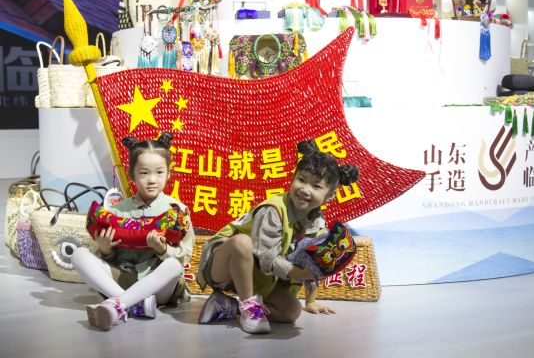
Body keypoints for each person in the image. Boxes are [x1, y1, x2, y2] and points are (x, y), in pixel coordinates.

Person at [196, 139, 359, 334]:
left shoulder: (317, 224)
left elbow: (313, 264)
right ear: (292, 178)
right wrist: (299, 273)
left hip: (258, 276)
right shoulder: (273, 211)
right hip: (224, 266)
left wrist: (311, 301)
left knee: (291, 312)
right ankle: (250, 309)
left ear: (330, 196)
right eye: (301, 180)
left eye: (316, 186)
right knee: (242, 243)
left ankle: (228, 306)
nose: (305, 189)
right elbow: (266, 259)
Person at [72, 132, 195, 331]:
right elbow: (105, 259)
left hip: (158, 286)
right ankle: (130, 303)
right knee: (79, 255)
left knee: (173, 265)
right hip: (122, 279)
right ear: (132, 175)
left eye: (159, 172)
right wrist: (105, 251)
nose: (152, 180)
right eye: (144, 173)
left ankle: (119, 304)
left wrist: (163, 250)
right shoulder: (116, 211)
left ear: (169, 173)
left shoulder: (177, 211)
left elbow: (184, 256)